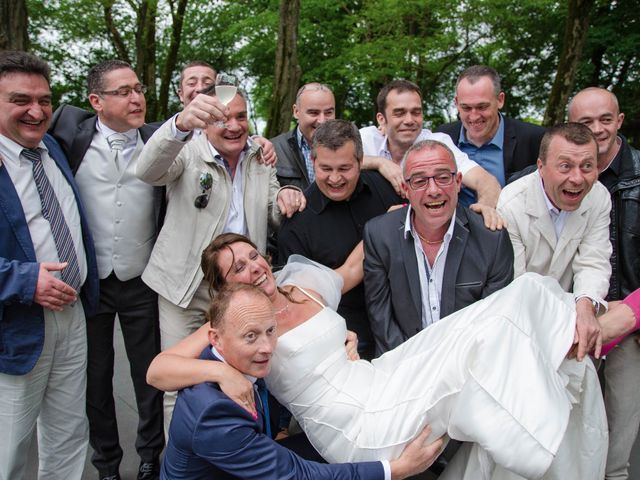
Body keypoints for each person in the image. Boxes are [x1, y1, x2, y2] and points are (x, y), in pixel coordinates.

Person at [148, 233, 640, 480]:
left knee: (515, 298)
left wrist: (394, 176)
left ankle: (575, 327)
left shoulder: (303, 285)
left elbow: (354, 265)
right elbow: (158, 370)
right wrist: (216, 368)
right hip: (353, 423)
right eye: (237, 268)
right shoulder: (238, 328)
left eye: (254, 255)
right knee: (480, 347)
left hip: (375, 377)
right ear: (223, 290)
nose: (254, 267)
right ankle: (590, 336)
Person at [136, 88, 304, 428]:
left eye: (241, 116)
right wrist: (180, 124)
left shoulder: (259, 156)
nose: (233, 126)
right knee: (180, 381)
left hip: (238, 288)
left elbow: (273, 209)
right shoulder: (187, 149)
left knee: (245, 374)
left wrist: (287, 194)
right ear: (204, 123)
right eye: (222, 117)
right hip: (185, 288)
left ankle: (237, 457)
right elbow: (147, 170)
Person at [162, 282, 443, 479]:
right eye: (251, 336)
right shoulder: (213, 412)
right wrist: (396, 470)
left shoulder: (234, 359)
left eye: (271, 331)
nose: (267, 347)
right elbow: (295, 475)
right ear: (216, 339)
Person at [48, 60, 164, 480]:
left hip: (142, 278)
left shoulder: (158, 139)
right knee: (95, 380)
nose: (136, 98)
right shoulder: (65, 138)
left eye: (139, 88)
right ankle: (107, 465)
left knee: (148, 373)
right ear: (96, 102)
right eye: (123, 92)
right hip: (90, 283)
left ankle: (151, 455)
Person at [0, 50, 99, 479]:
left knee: (68, 433)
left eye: (44, 100)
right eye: (20, 100)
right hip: (16, 326)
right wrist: (25, 280)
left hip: (71, 315)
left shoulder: (53, 148)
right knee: (10, 445)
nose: (36, 111)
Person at [363, 139, 513, 356]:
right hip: (400, 364)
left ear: (458, 181)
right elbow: (381, 317)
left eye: (443, 178)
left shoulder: (492, 239)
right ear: (405, 188)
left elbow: (492, 324)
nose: (433, 190)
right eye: (420, 181)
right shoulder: (378, 235)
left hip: (469, 366)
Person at [278, 120, 402, 358]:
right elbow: (300, 304)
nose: (335, 179)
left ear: (360, 161)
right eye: (325, 169)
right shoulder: (296, 224)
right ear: (313, 162)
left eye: (344, 168)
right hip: (348, 340)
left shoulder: (386, 187)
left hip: (402, 323)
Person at [568, 87, 640, 479]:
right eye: (585, 122)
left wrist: (636, 314)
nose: (597, 129)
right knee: (575, 430)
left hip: (631, 322)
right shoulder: (551, 175)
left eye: (605, 120)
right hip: (577, 319)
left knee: (619, 439)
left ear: (620, 121)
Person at [497, 122, 612, 361]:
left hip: (571, 310)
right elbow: (515, 285)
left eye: (587, 166)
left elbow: (593, 261)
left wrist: (585, 308)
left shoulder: (599, 197)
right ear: (541, 167)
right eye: (565, 167)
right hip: (519, 319)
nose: (577, 178)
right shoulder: (511, 203)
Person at [360, 80, 503, 220]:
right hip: (371, 227)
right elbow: (339, 162)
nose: (409, 120)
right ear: (381, 119)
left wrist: (482, 214)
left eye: (416, 112)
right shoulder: (366, 138)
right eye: (399, 113)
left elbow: (487, 182)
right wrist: (379, 162)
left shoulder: (438, 144)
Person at [436, 65, 545, 205]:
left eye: (482, 107)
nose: (474, 116)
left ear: (500, 100)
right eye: (466, 108)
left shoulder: (534, 138)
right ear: (456, 103)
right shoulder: (443, 137)